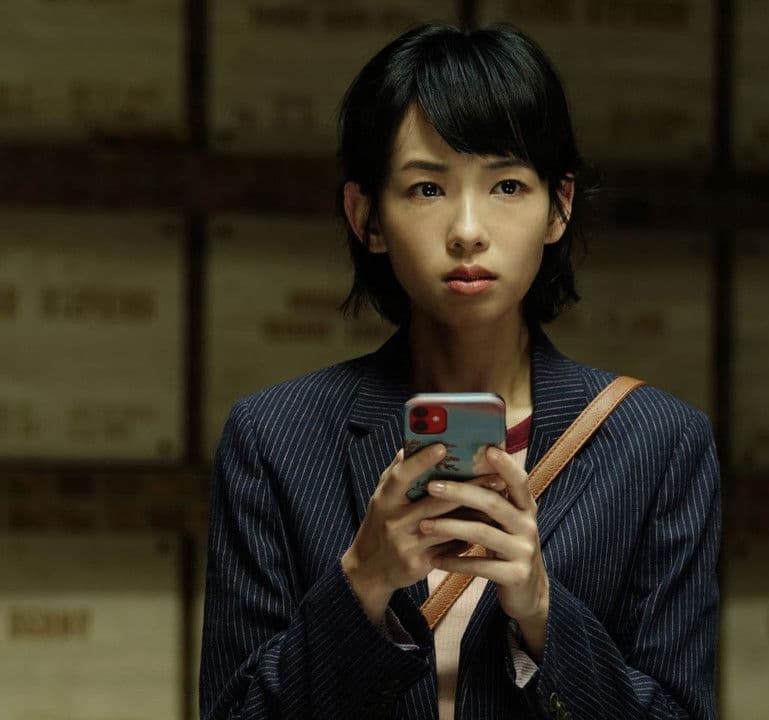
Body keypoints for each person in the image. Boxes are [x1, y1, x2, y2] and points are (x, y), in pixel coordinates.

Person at [199, 22, 720, 720]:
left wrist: (543, 612)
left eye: (507, 185)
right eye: (426, 188)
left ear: (559, 206)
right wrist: (361, 584)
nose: (468, 230)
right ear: (365, 216)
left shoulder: (658, 444)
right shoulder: (274, 439)